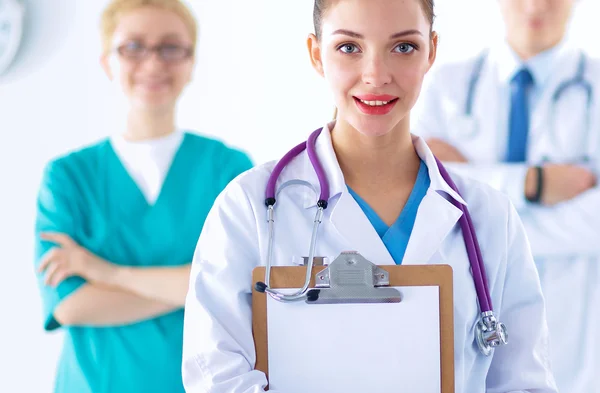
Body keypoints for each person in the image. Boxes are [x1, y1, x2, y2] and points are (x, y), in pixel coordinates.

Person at [181, 0, 558, 392]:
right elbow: (216, 375)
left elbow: (524, 381)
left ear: (431, 51)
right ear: (316, 54)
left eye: (403, 47)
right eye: (349, 47)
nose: (376, 76)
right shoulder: (249, 207)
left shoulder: (488, 216)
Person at [33, 1, 253, 392]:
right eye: (133, 47)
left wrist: (107, 273)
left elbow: (242, 288)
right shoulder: (67, 177)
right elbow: (70, 305)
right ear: (107, 62)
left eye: (170, 48)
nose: (152, 64)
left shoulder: (227, 168)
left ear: (191, 63)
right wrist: (194, 287)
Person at [411, 1, 600, 392]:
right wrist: (534, 184)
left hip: (574, 328)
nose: (535, 6)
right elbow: (427, 196)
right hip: (472, 304)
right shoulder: (447, 85)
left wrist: (478, 189)